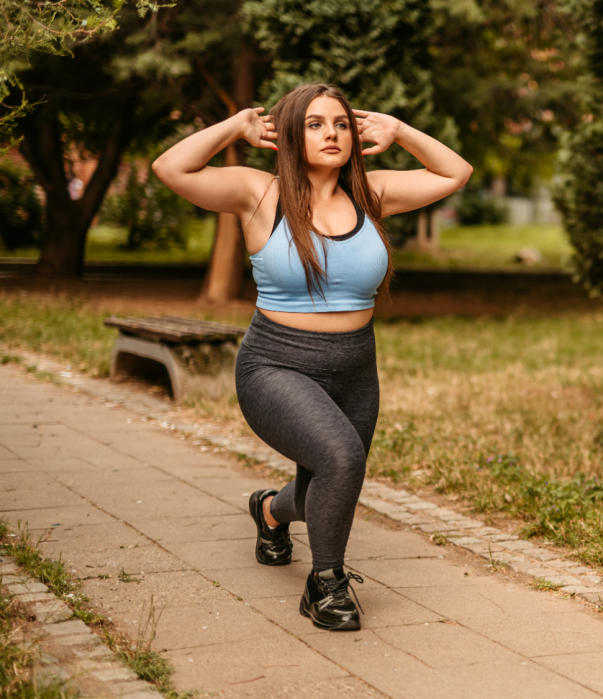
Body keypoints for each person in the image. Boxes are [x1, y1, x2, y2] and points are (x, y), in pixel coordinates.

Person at [152, 83, 472, 631]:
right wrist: (236, 126)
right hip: (275, 365)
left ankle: (270, 511)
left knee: (331, 478)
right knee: (342, 460)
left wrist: (399, 130)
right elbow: (171, 168)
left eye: (342, 124)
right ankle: (327, 583)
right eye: (315, 124)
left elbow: (454, 174)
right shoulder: (258, 193)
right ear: (289, 136)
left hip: (354, 368)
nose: (332, 134)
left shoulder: (373, 194)